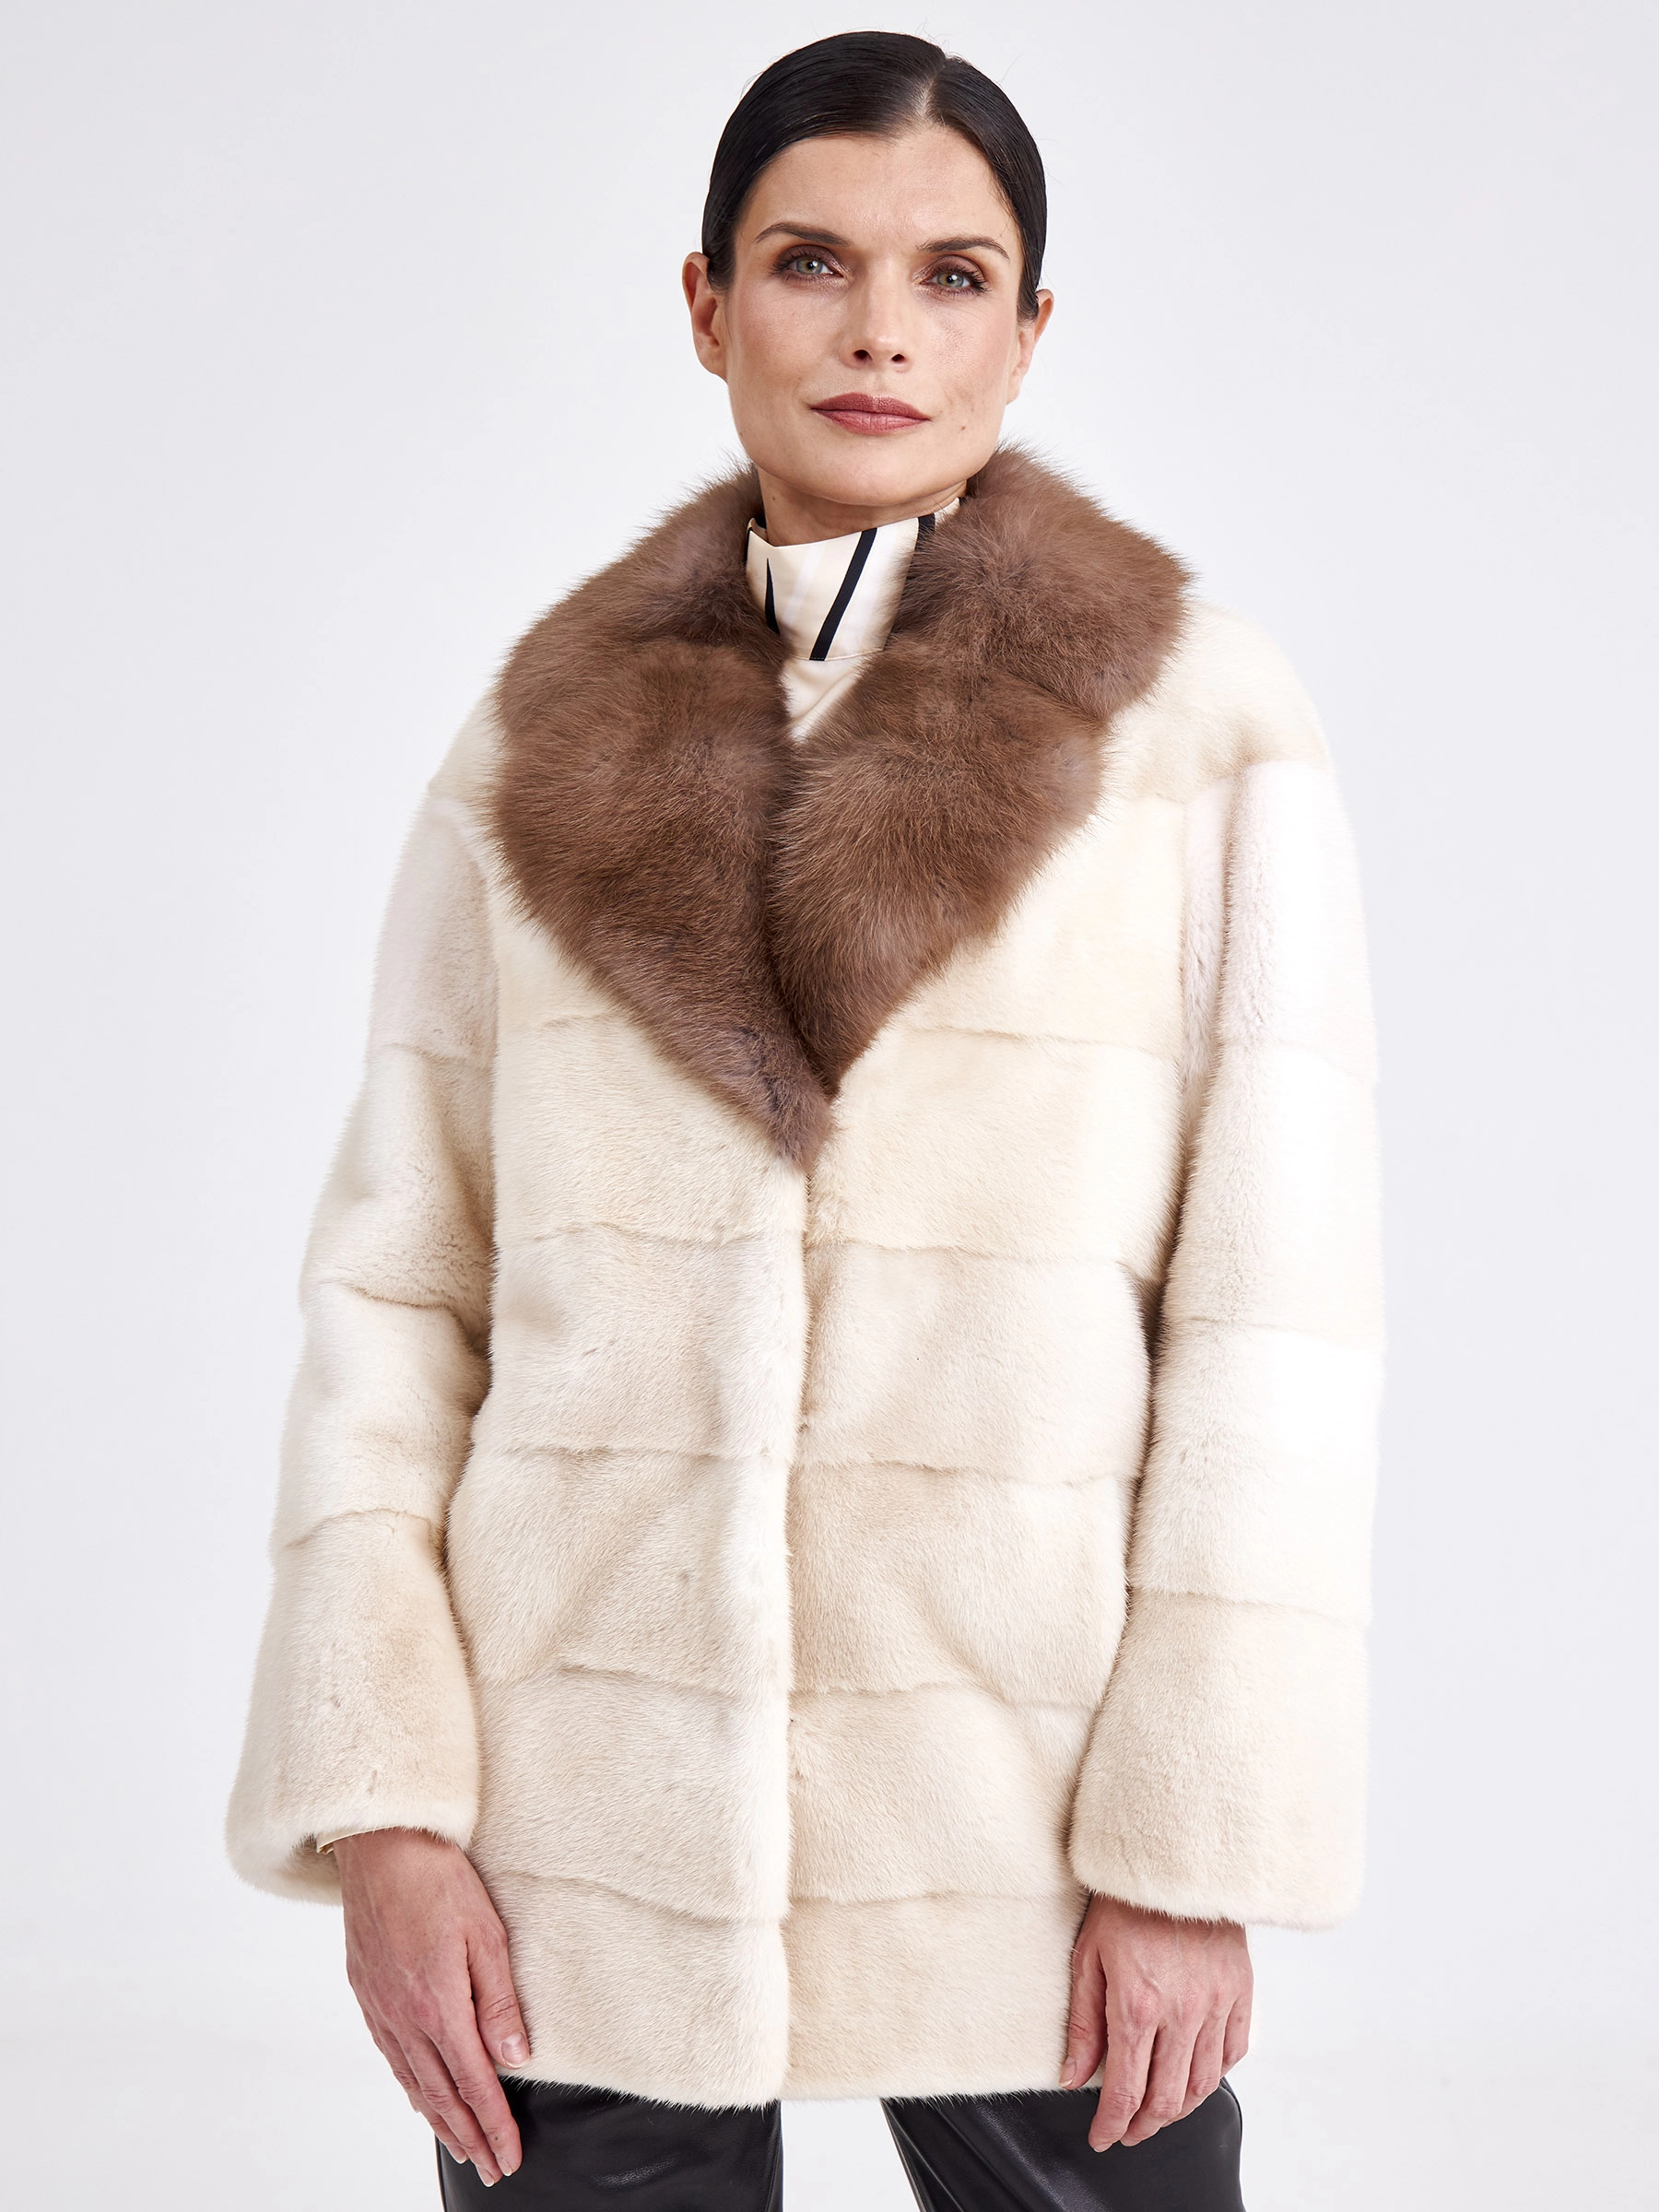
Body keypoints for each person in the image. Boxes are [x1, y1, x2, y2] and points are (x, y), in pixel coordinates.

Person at [228, 30, 1382, 2210]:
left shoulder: (1194, 730)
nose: (879, 331)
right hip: (584, 1827)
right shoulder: (531, 744)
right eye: (810, 261)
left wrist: (1193, 1838)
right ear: (706, 304)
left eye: (954, 276)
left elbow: (1273, 1327)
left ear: (1030, 329)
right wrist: (385, 1802)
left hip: (1027, 1809)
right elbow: (396, 1301)